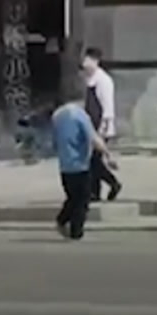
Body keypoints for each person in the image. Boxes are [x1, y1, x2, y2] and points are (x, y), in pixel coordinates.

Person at [51, 78, 107, 240]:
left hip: (65, 166)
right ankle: (76, 231)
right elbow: (94, 138)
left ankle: (62, 220)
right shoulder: (80, 115)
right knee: (82, 199)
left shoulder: (57, 116)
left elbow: (54, 142)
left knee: (72, 197)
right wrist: (107, 154)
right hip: (80, 164)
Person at [80, 48, 123, 202]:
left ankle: (113, 183)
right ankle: (95, 192)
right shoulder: (90, 79)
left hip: (101, 126)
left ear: (95, 61)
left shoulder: (103, 80)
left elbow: (107, 106)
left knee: (94, 160)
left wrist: (103, 128)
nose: (84, 64)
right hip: (91, 125)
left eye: (87, 60)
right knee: (93, 160)